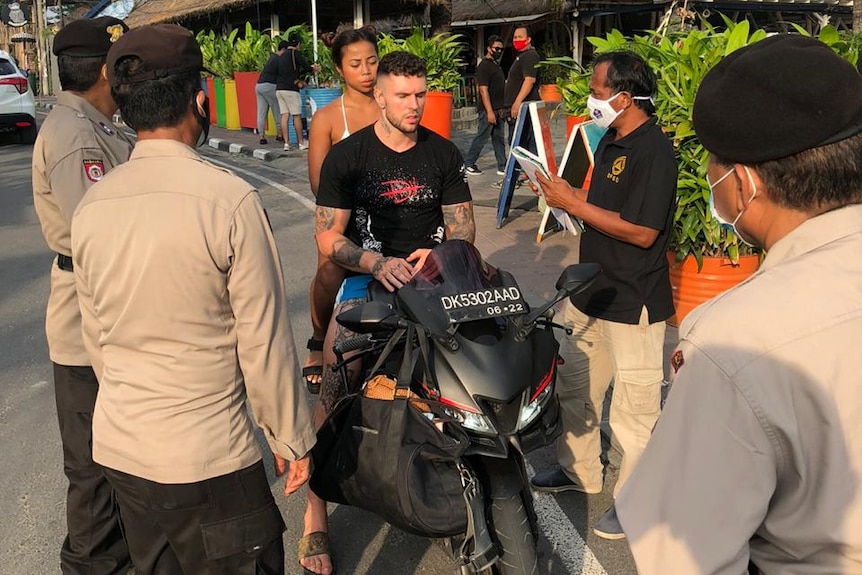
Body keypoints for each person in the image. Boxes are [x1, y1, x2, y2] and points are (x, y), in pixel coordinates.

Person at [71, 24, 316, 574]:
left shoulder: (92, 207)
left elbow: (97, 340)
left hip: (123, 451)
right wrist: (290, 437)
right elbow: (265, 341)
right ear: (198, 101)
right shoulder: (227, 201)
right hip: (210, 456)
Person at [616, 35, 862, 574]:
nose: (710, 179)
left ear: (745, 183)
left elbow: (683, 555)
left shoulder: (736, 340)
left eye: (712, 166)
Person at [302, 50, 476, 575]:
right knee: (337, 372)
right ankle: (315, 511)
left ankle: (459, 494)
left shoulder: (442, 154)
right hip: (367, 274)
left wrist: (439, 253)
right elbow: (328, 237)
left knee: (463, 383)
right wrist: (376, 262)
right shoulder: (349, 157)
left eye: (421, 94)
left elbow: (464, 229)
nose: (414, 105)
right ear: (378, 96)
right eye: (403, 95)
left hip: (431, 277)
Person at [530, 50, 677, 540]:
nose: (590, 100)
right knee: (577, 393)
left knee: (634, 413)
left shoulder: (654, 151)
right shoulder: (612, 139)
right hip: (590, 291)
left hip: (633, 299)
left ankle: (634, 501)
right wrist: (568, 204)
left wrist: (572, 202)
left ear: (624, 96)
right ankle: (579, 474)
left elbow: (641, 232)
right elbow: (603, 212)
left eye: (596, 92)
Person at [31, 16, 132, 575]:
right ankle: (94, 565)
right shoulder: (75, 137)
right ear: (102, 71)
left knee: (115, 456)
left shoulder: (98, 125)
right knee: (93, 467)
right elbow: (98, 235)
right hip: (86, 320)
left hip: (101, 313)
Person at [304, 26, 379, 393]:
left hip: (392, 213)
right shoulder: (329, 118)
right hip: (344, 216)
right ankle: (318, 339)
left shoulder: (394, 106)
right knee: (330, 269)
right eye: (355, 64)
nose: (366, 71)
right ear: (340, 70)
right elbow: (318, 182)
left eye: (372, 61)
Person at [463, 35, 507, 177]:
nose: (499, 51)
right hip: (488, 109)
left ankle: (502, 165)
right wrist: (489, 111)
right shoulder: (484, 66)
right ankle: (469, 163)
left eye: (501, 49)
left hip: (498, 108)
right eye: (496, 48)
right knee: (481, 137)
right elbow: (483, 89)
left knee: (498, 139)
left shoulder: (495, 65)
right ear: (489, 48)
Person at [504, 25, 540, 142]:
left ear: (528, 39)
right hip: (517, 107)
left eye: (520, 37)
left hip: (523, 107)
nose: (516, 40)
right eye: (515, 37)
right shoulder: (521, 56)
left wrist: (517, 102)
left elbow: (529, 80)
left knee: (521, 143)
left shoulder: (530, 56)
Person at [277, 35, 312, 151]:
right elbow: (306, 67)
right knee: (296, 116)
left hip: (279, 89)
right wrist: (313, 69)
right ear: (298, 44)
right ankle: (301, 143)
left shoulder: (282, 56)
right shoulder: (294, 53)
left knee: (284, 115)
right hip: (290, 89)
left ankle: (286, 143)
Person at [256, 40, 287, 145]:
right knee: (277, 108)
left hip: (259, 85)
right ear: (283, 50)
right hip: (270, 85)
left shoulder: (271, 57)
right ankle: (279, 134)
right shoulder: (279, 59)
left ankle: (261, 136)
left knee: (261, 112)